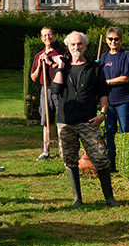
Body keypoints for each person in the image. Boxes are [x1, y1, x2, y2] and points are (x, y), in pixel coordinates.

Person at [51, 31, 117, 208]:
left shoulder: (95, 68)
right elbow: (55, 89)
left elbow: (103, 93)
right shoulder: (63, 67)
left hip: (89, 121)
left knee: (101, 157)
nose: (76, 48)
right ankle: (77, 199)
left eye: (79, 44)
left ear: (85, 46)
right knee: (69, 159)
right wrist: (60, 67)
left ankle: (109, 198)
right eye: (72, 45)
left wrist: (102, 114)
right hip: (66, 121)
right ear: (67, 46)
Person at [98, 27, 129, 172]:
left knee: (124, 131)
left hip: (123, 99)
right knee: (109, 131)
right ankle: (111, 165)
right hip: (108, 100)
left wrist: (107, 82)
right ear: (107, 40)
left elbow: (126, 77)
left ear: (120, 40)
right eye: (111, 39)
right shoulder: (103, 57)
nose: (113, 42)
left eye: (116, 39)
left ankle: (127, 165)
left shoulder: (126, 55)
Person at [28, 25, 66, 159]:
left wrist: (50, 62)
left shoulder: (61, 52)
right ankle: (46, 150)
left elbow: (65, 69)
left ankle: (64, 150)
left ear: (54, 36)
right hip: (46, 90)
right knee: (46, 121)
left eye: (49, 34)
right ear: (41, 38)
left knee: (62, 119)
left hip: (60, 89)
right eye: (44, 35)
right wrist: (39, 65)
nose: (47, 37)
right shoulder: (38, 55)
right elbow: (33, 78)